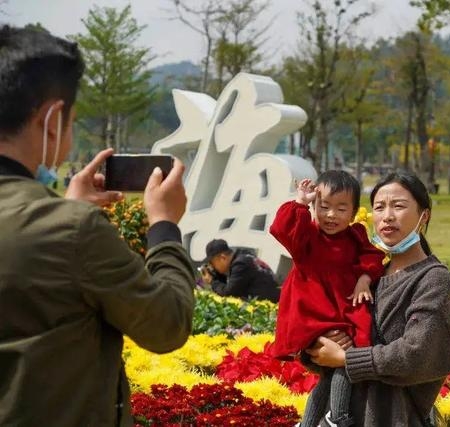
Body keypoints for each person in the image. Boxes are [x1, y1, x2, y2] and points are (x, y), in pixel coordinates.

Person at [0, 26, 195, 426]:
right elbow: (167, 325)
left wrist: (64, 211)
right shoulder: (73, 231)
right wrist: (163, 226)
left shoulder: (62, 226)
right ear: (52, 119)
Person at [305, 171, 450, 427]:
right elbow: (321, 327)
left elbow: (419, 353)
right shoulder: (367, 277)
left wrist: (347, 359)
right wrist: (318, 344)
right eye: (379, 207)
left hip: (394, 417)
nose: (387, 216)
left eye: (398, 206)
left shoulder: (432, 279)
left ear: (425, 216)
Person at [269, 170, 386, 427]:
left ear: (354, 213)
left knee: (333, 371)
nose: (331, 215)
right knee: (346, 360)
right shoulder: (307, 237)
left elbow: (372, 257)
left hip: (341, 317)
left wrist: (364, 278)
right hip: (313, 319)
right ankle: (338, 418)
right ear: (314, 206)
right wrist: (299, 202)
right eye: (324, 206)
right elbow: (282, 230)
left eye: (341, 209)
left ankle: (309, 423)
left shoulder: (355, 236)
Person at [200, 238, 281, 303]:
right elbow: (233, 287)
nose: (212, 267)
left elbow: (229, 293)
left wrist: (211, 281)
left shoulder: (240, 264)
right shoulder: (244, 256)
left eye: (212, 263)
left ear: (223, 258)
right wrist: (216, 276)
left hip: (269, 307)